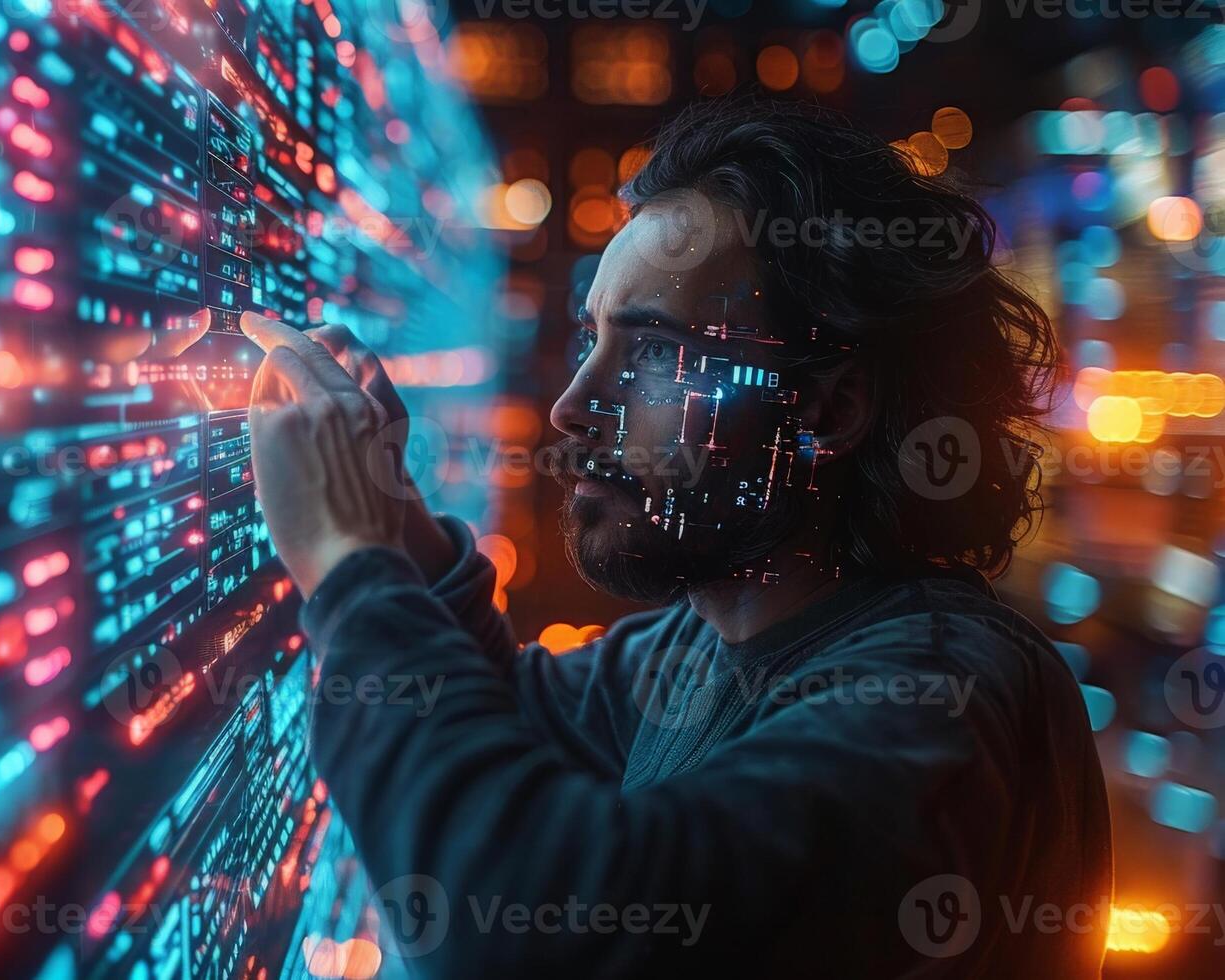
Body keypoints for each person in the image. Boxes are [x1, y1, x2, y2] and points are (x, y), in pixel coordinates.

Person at [239, 97, 1111, 978]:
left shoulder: (938, 705)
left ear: (830, 408)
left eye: (653, 354)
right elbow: (513, 719)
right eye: (593, 339)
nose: (573, 405)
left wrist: (350, 564)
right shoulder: (717, 634)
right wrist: (395, 528)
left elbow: (525, 924)